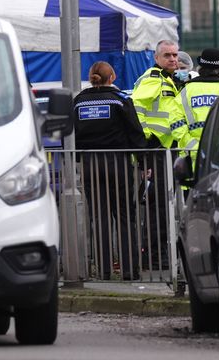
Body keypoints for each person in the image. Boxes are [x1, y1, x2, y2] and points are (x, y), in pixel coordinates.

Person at [75, 61, 147, 280]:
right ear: (112, 77)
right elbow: (135, 133)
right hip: (118, 164)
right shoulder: (120, 100)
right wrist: (143, 162)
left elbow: (70, 134)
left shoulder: (78, 102)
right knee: (125, 216)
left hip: (90, 165)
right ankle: (129, 270)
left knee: (100, 217)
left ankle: (104, 271)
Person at [131, 40, 180, 271]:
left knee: (162, 206)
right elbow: (136, 107)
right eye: (167, 55)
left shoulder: (168, 80)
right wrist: (146, 140)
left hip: (165, 150)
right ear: (157, 58)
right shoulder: (153, 79)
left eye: (174, 55)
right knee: (158, 207)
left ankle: (159, 255)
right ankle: (154, 257)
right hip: (157, 150)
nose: (172, 59)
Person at [171, 48, 219, 167]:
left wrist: (194, 147)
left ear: (200, 67)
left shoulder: (186, 91)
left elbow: (176, 124)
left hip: (190, 159)